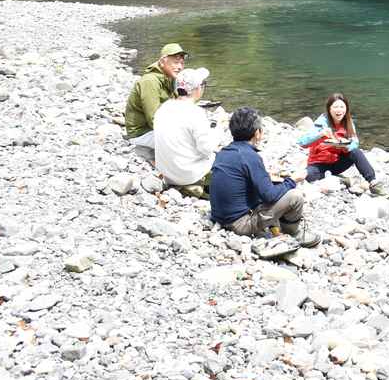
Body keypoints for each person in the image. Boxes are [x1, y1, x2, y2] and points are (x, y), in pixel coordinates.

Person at [209, 106, 320, 249]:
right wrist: (293, 180)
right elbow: (269, 196)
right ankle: (294, 233)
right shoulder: (250, 156)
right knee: (295, 197)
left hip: (219, 216)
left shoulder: (225, 152)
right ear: (257, 133)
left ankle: (278, 227)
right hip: (239, 224)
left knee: (276, 187)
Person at [153, 67, 224, 195]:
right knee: (225, 158)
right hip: (187, 175)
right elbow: (206, 149)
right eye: (204, 84)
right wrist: (218, 132)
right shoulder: (196, 113)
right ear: (198, 88)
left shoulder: (164, 107)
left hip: (167, 173)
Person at [297, 93, 383, 195]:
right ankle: (341, 180)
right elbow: (302, 142)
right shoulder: (321, 123)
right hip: (319, 164)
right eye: (336, 107)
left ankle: (372, 182)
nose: (339, 110)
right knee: (308, 176)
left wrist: (345, 146)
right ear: (329, 109)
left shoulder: (348, 122)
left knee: (355, 152)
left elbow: (355, 142)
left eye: (342, 107)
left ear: (346, 108)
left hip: (336, 162)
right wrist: (320, 134)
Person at [123, 42, 188, 163]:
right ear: (163, 61)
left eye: (182, 63)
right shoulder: (150, 81)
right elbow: (154, 120)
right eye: (176, 62)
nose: (180, 67)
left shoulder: (168, 78)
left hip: (153, 130)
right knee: (186, 139)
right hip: (140, 134)